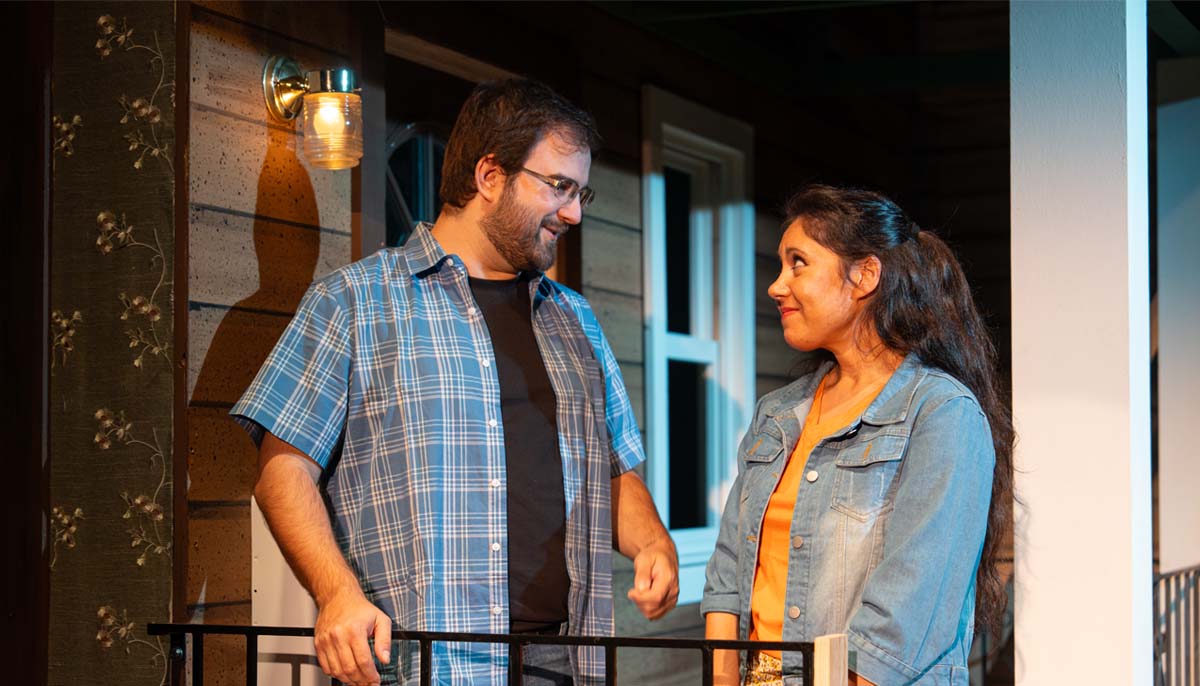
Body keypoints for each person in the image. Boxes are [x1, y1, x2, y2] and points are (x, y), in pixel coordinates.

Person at [232, 78, 679, 686]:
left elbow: (614, 467)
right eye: (559, 187)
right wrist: (336, 594)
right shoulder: (355, 302)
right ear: (490, 176)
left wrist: (652, 541)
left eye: (581, 192)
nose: (573, 212)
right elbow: (283, 472)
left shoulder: (576, 321)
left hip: (565, 661)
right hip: (423, 664)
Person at [703, 185, 1013, 686]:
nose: (777, 286)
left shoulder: (939, 414)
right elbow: (728, 571)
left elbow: (909, 611)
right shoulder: (777, 415)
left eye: (798, 263)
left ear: (865, 275)